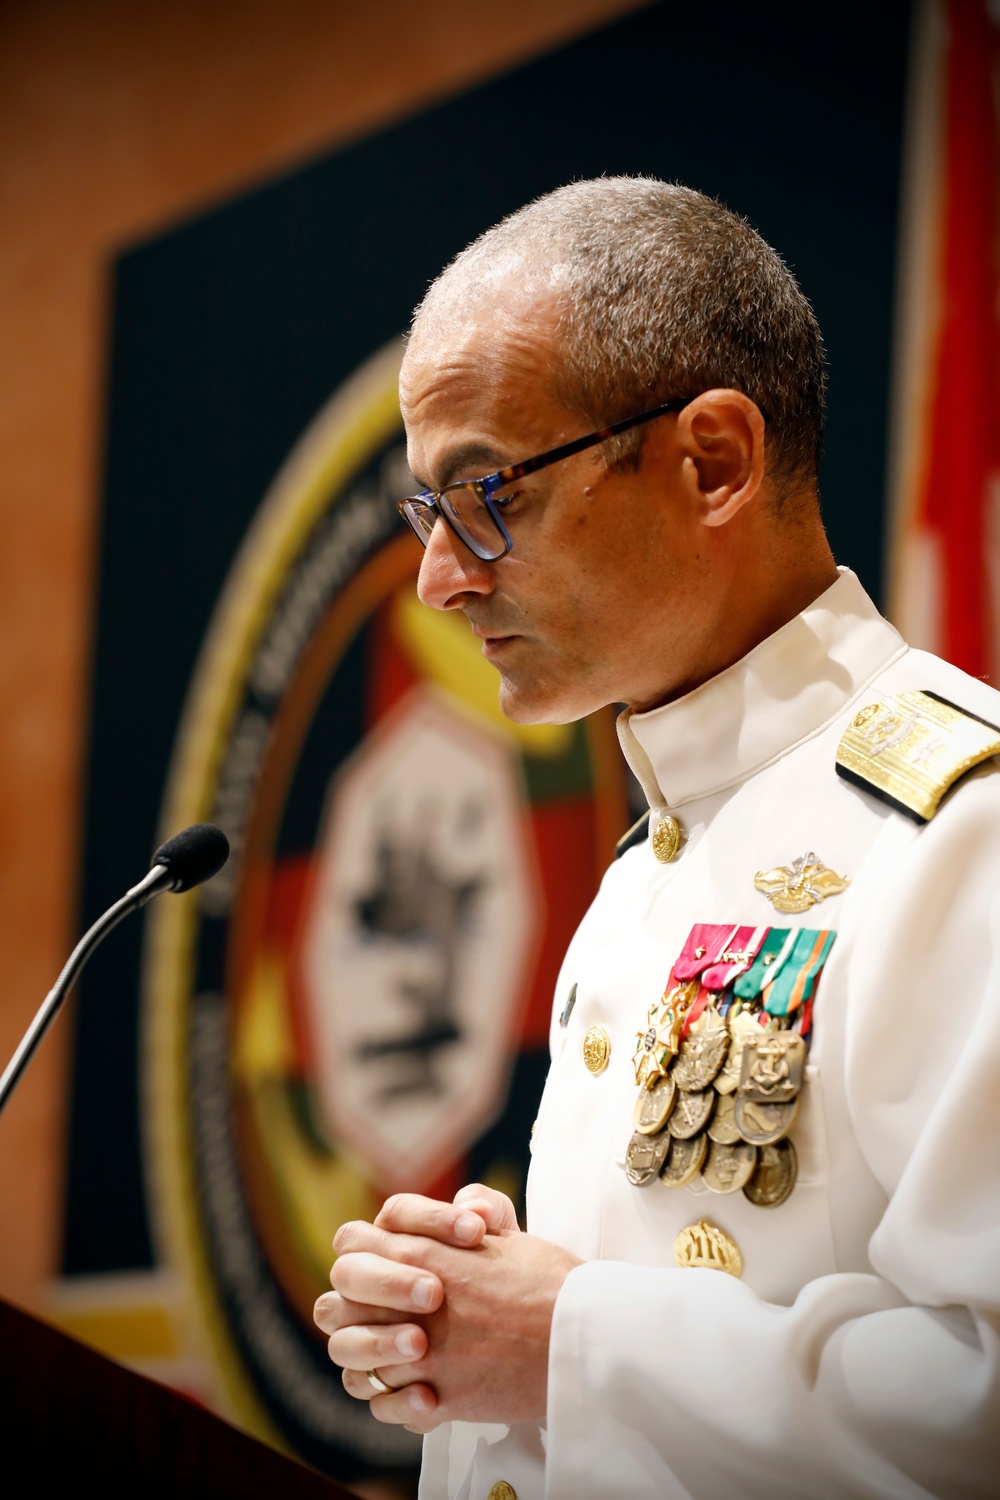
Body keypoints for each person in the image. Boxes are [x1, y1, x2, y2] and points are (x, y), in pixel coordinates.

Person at [313, 179, 1000, 1498]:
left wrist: (564, 1341)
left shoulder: (961, 827)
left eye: (486, 492)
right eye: (429, 512)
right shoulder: (649, 867)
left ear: (714, 462)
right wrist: (458, 1328)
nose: (440, 576)